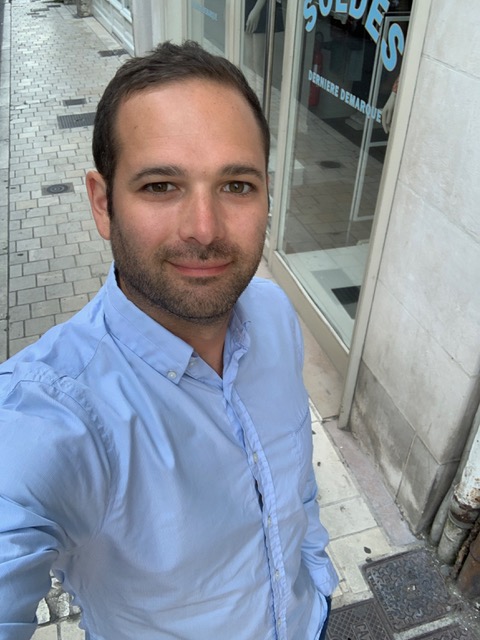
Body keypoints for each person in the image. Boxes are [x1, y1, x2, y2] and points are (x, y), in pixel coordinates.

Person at [0, 41, 337, 639]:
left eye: (236, 185)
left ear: (267, 194)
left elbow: (296, 486)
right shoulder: (55, 413)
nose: (203, 229)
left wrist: (315, 570)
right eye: (161, 186)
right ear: (103, 204)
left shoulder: (274, 313)